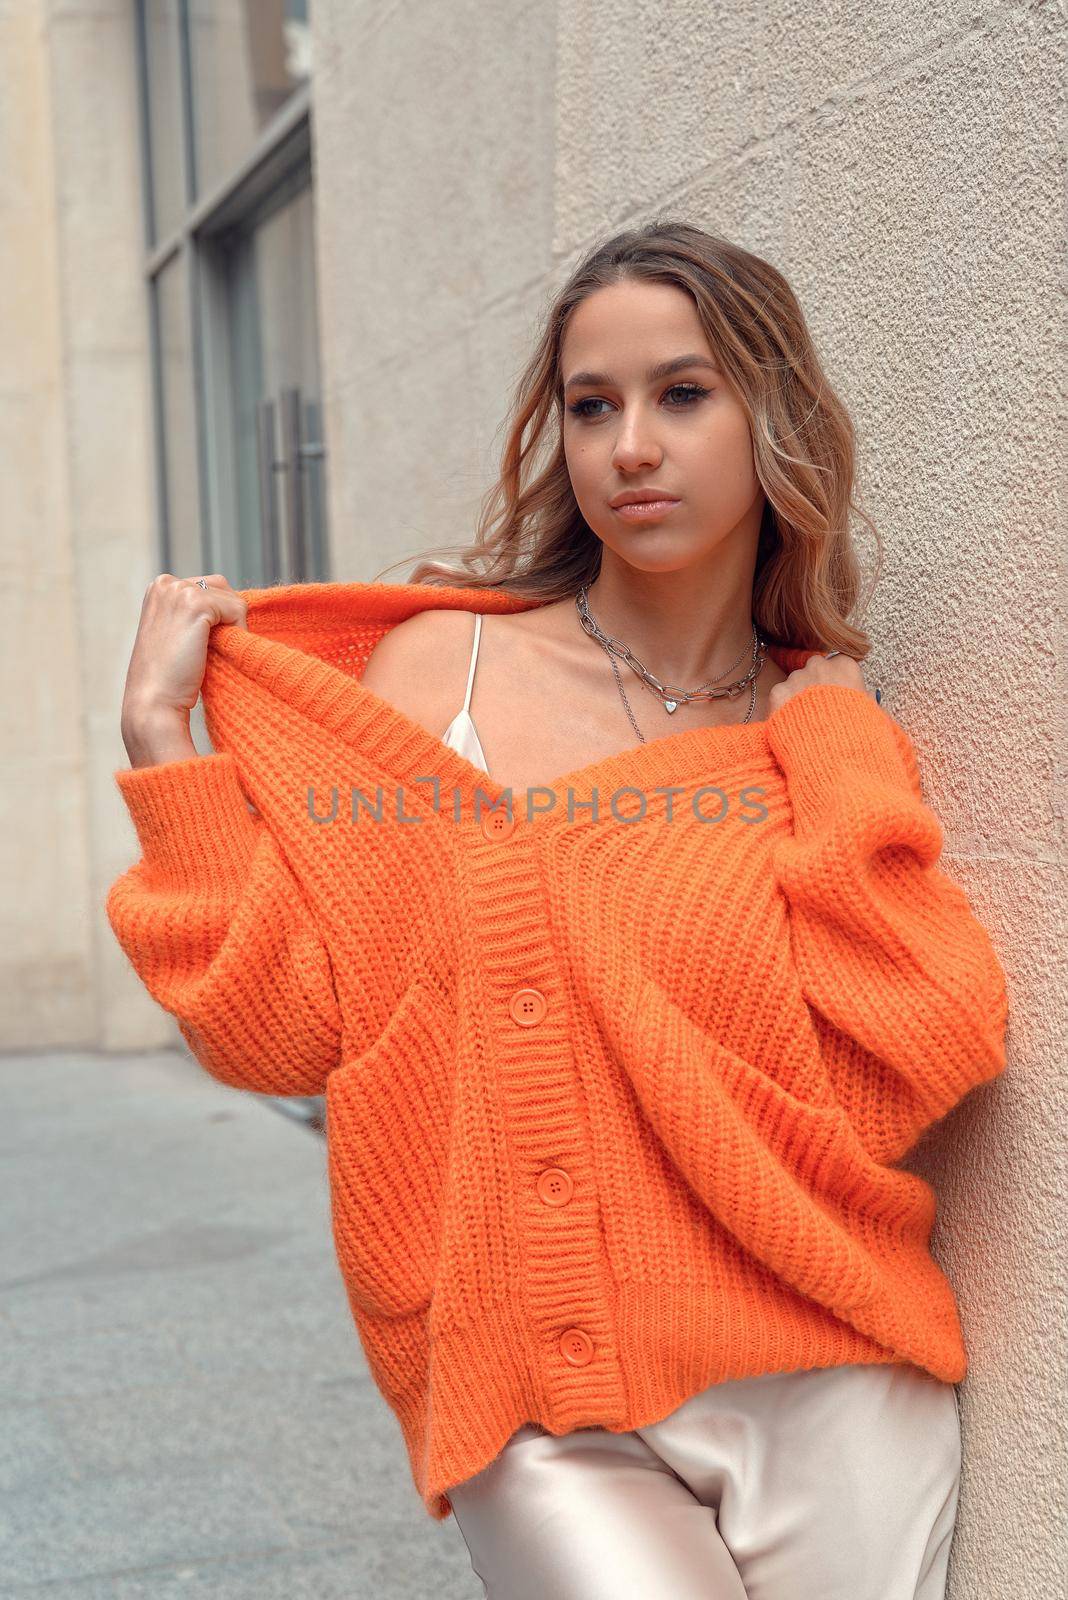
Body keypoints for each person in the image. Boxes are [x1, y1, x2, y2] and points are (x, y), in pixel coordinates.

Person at [108, 220, 1009, 1599]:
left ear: (774, 417)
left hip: (827, 1377)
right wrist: (167, 746)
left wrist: (826, 747)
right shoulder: (435, 683)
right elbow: (287, 1032)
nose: (630, 446)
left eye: (682, 394)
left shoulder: (815, 730)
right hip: (537, 1392)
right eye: (593, 406)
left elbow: (921, 1050)